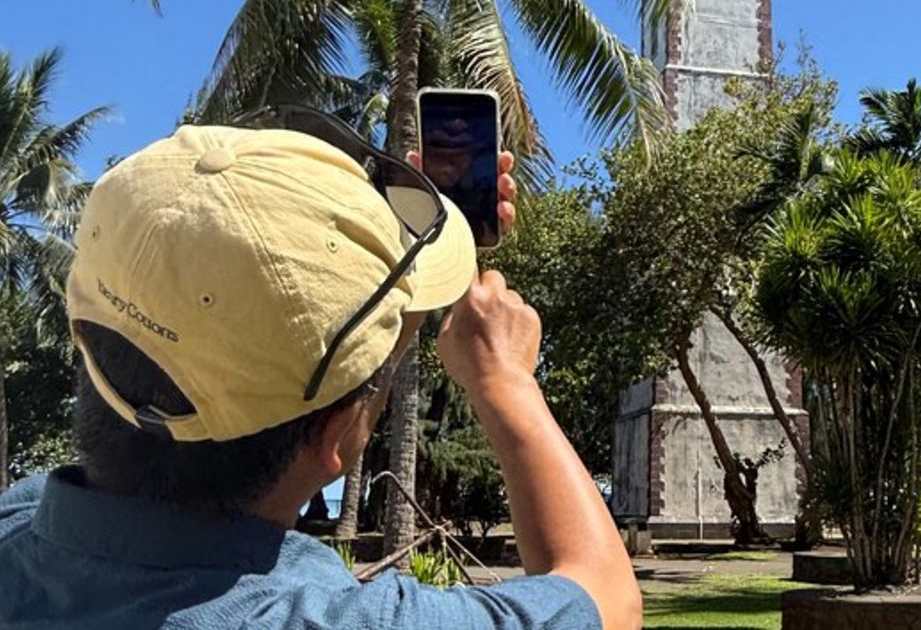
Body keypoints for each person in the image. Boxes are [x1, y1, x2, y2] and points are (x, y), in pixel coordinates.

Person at [0, 107, 640, 630]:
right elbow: (604, 598)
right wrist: (506, 381)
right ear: (332, 439)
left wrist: (397, 278)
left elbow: (331, 383)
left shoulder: (18, 524)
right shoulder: (318, 618)